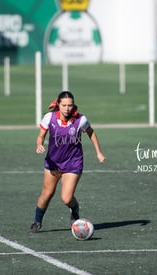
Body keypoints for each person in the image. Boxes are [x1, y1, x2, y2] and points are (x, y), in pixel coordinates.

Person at [29, 91, 106, 233]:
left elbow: (91, 133)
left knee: (66, 198)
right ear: (58, 104)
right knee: (47, 194)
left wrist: (99, 152)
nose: (67, 108)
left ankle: (75, 209)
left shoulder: (80, 120)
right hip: (53, 163)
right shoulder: (49, 117)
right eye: (64, 105)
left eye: (70, 105)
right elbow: (40, 136)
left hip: (73, 162)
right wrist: (39, 144)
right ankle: (37, 222)